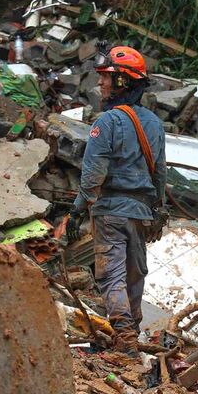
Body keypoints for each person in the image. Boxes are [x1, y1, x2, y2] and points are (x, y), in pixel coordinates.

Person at [69, 45, 166, 355]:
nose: (101, 84)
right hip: (140, 212)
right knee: (134, 273)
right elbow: (160, 173)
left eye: (108, 78)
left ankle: (124, 339)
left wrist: (76, 213)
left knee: (112, 274)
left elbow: (92, 175)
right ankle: (131, 334)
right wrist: (157, 210)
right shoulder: (154, 123)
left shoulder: (106, 123)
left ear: (123, 82)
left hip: (110, 212)